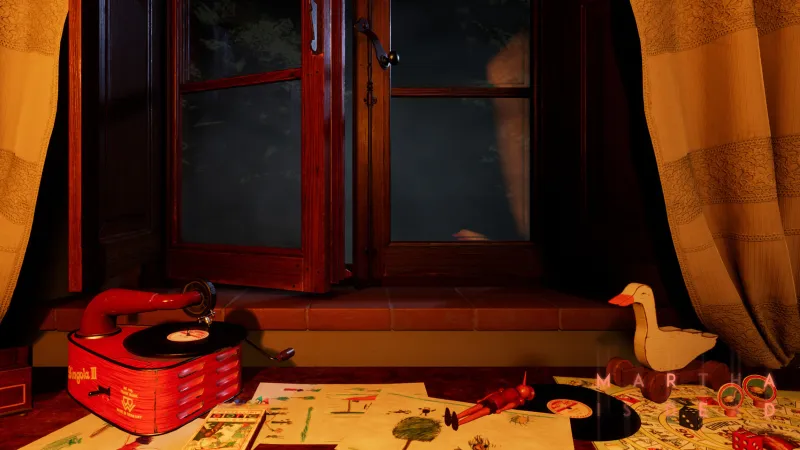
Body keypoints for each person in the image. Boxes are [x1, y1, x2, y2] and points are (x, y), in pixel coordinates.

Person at [444, 372, 535, 430]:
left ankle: (457, 422)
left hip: (495, 405)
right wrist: (483, 399)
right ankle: (453, 418)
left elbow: (510, 404)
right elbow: (496, 393)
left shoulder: (516, 399)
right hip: (493, 400)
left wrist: (501, 409)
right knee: (473, 411)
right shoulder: (512, 391)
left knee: (475, 414)